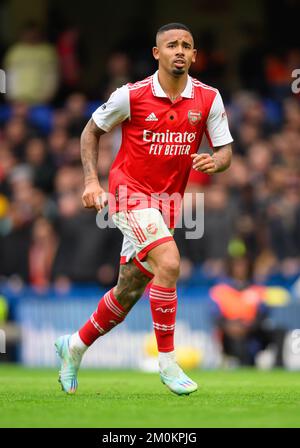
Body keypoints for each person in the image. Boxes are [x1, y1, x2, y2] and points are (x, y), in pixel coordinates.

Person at [55, 23, 233, 395]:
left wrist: (216, 163)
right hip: (128, 194)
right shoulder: (130, 96)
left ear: (195, 55)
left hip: (167, 204)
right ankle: (167, 363)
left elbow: (225, 152)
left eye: (187, 45)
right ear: (157, 54)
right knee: (169, 262)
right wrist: (91, 181)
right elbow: (91, 131)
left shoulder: (209, 98)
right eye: (172, 45)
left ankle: (73, 346)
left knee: (128, 291)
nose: (180, 51)